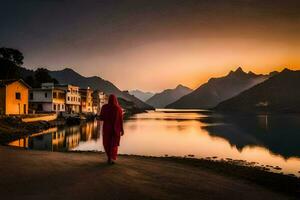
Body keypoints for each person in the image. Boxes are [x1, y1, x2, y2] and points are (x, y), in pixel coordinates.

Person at [98, 94, 124, 164]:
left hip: (107, 129)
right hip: (116, 130)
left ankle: (109, 158)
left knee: (107, 143)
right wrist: (122, 130)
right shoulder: (119, 109)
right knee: (113, 144)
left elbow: (101, 118)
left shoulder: (104, 107)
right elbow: (121, 120)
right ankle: (111, 158)